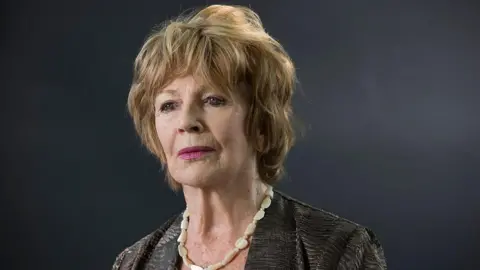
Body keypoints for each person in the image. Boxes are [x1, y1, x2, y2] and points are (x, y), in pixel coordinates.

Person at [112, 4, 387, 270]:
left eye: (213, 100)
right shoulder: (133, 262)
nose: (186, 122)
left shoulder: (337, 252)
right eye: (169, 105)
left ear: (261, 123)